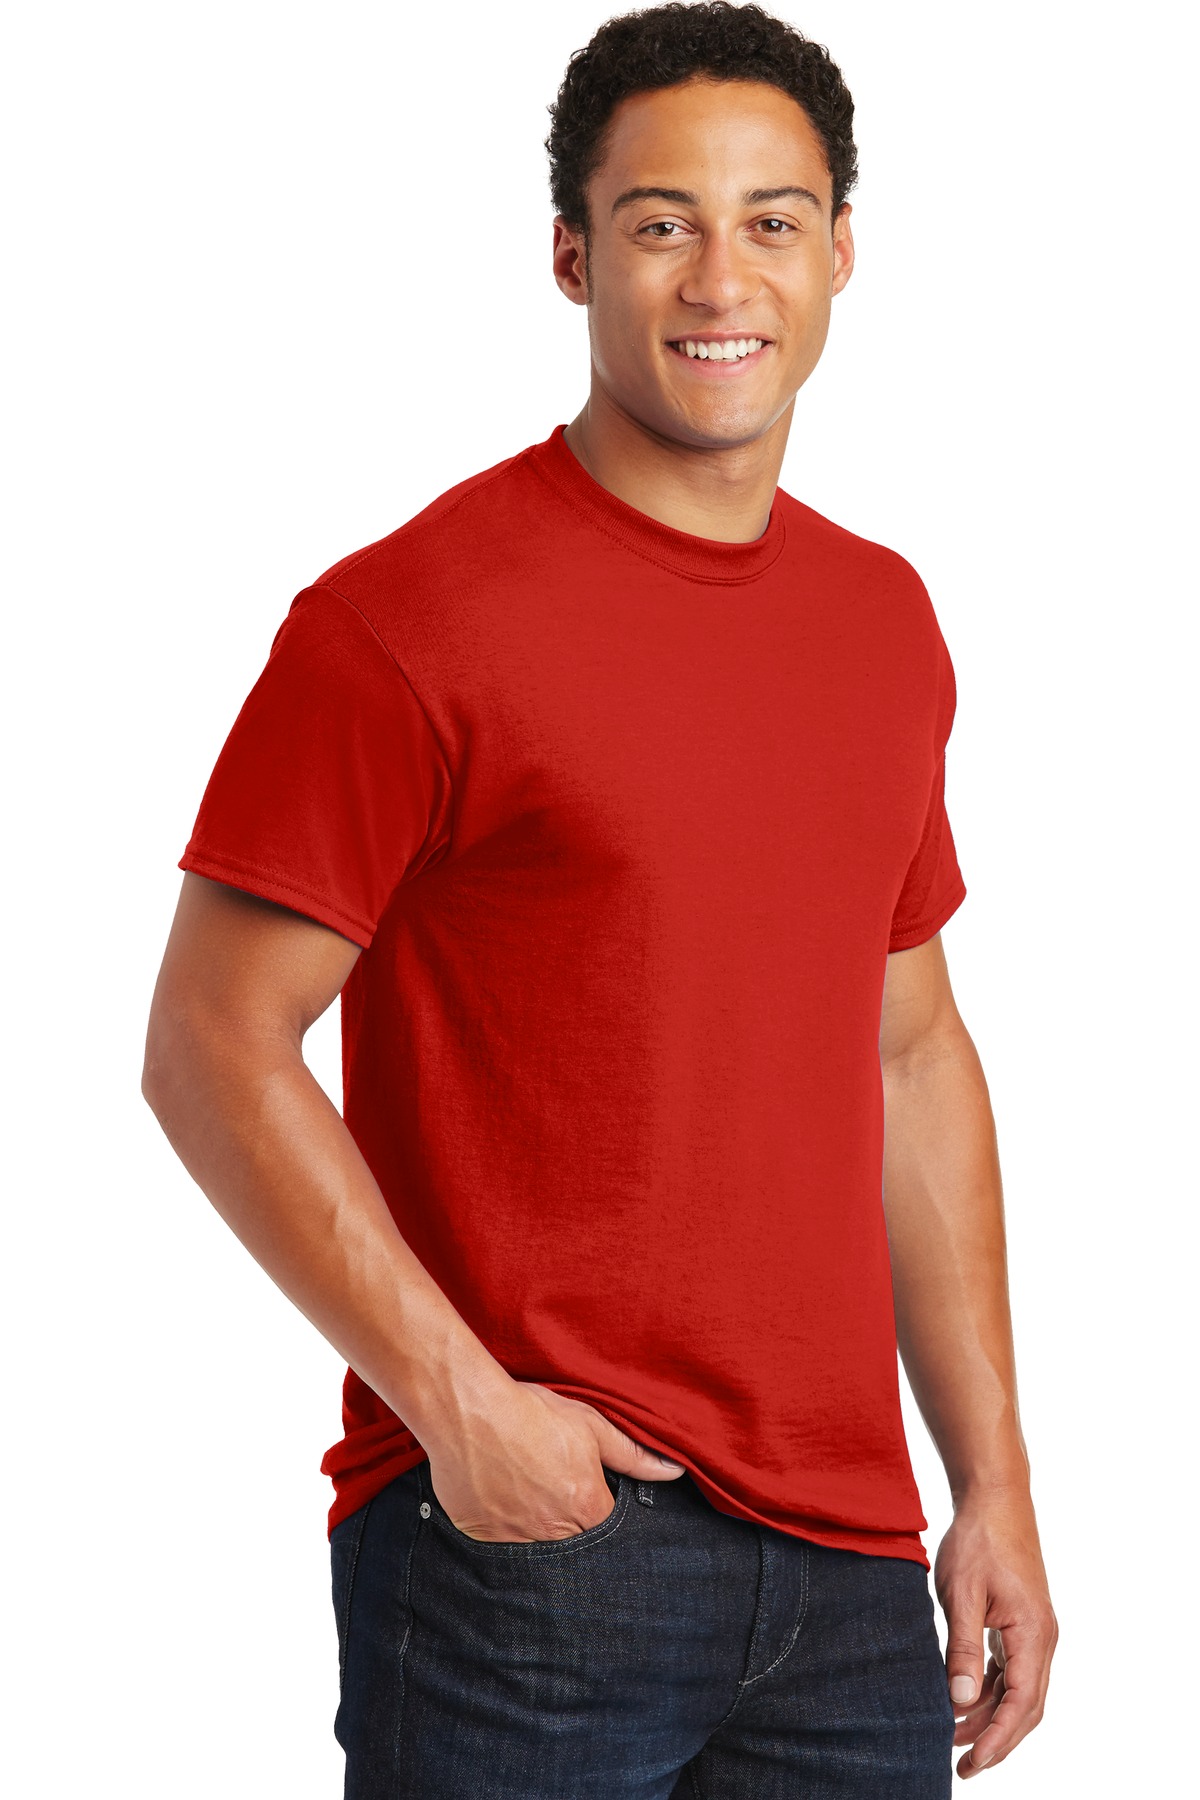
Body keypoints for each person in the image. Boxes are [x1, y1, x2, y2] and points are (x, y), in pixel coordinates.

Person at [142, 3, 1057, 1793]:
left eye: (772, 220)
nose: (721, 278)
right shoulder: (406, 621)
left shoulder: (883, 623)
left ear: (842, 252)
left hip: (853, 1571)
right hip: (534, 1553)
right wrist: (459, 1407)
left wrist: (995, 1485)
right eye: (660, 223)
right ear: (572, 257)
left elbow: (911, 1051)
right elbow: (210, 1042)